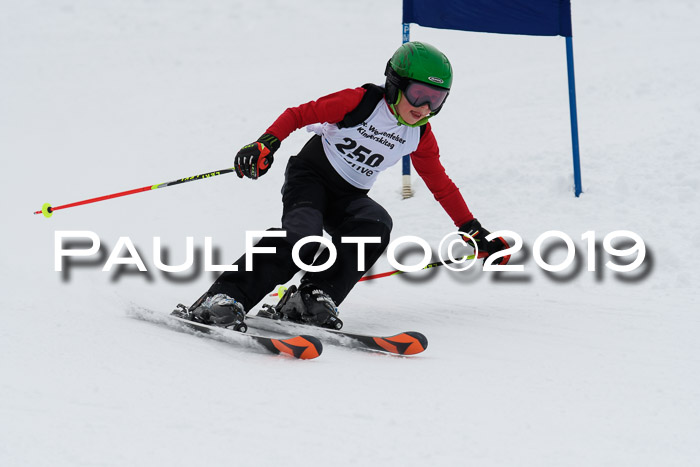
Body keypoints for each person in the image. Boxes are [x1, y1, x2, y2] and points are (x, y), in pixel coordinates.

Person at [183, 41, 510, 331]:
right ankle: (224, 297)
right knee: (304, 239)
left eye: (436, 99)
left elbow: (441, 185)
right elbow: (299, 114)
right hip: (310, 178)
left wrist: (473, 229)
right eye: (418, 94)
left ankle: (309, 298)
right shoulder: (360, 102)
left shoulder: (419, 134)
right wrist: (266, 143)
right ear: (395, 84)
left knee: (376, 224)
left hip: (349, 195)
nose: (425, 107)